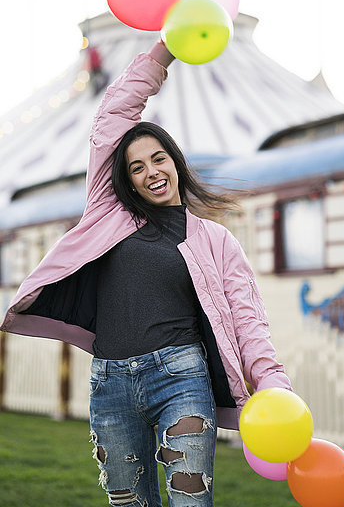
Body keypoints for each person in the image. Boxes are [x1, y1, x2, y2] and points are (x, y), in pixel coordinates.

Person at [0, 39, 292, 507]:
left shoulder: (216, 242)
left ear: (176, 162)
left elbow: (248, 322)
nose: (151, 172)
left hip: (181, 377)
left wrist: (274, 385)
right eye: (136, 167)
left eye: (159, 159)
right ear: (126, 179)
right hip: (109, 383)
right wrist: (164, 51)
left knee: (189, 502)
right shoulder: (108, 213)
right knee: (129, 504)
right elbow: (112, 116)